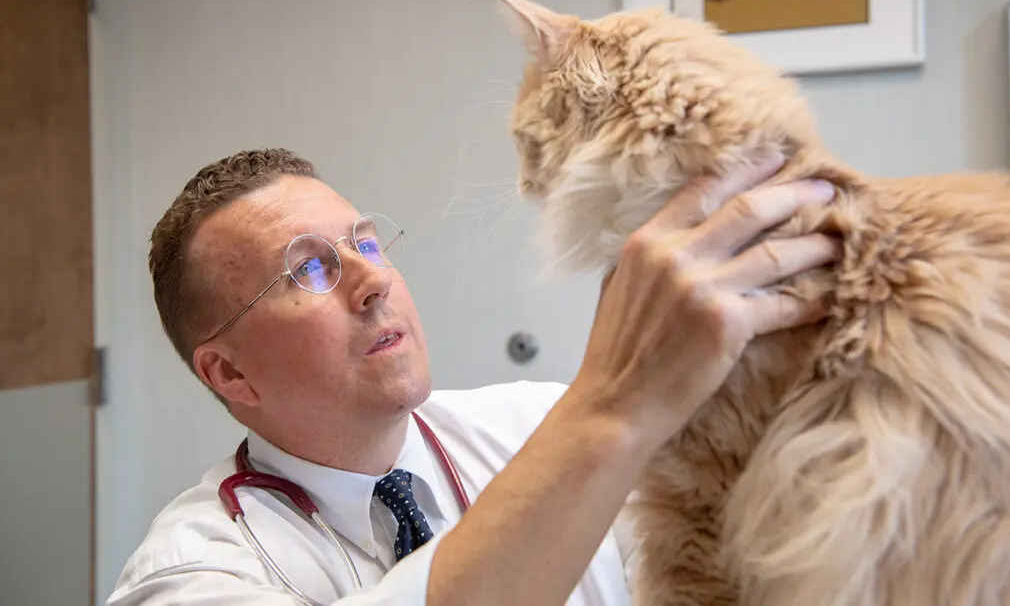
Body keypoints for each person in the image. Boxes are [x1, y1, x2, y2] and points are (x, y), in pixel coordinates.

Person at [106, 147, 838, 605]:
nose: (373, 280)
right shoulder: (189, 572)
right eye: (310, 269)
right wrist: (616, 399)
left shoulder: (536, 424)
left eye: (365, 240)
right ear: (229, 373)